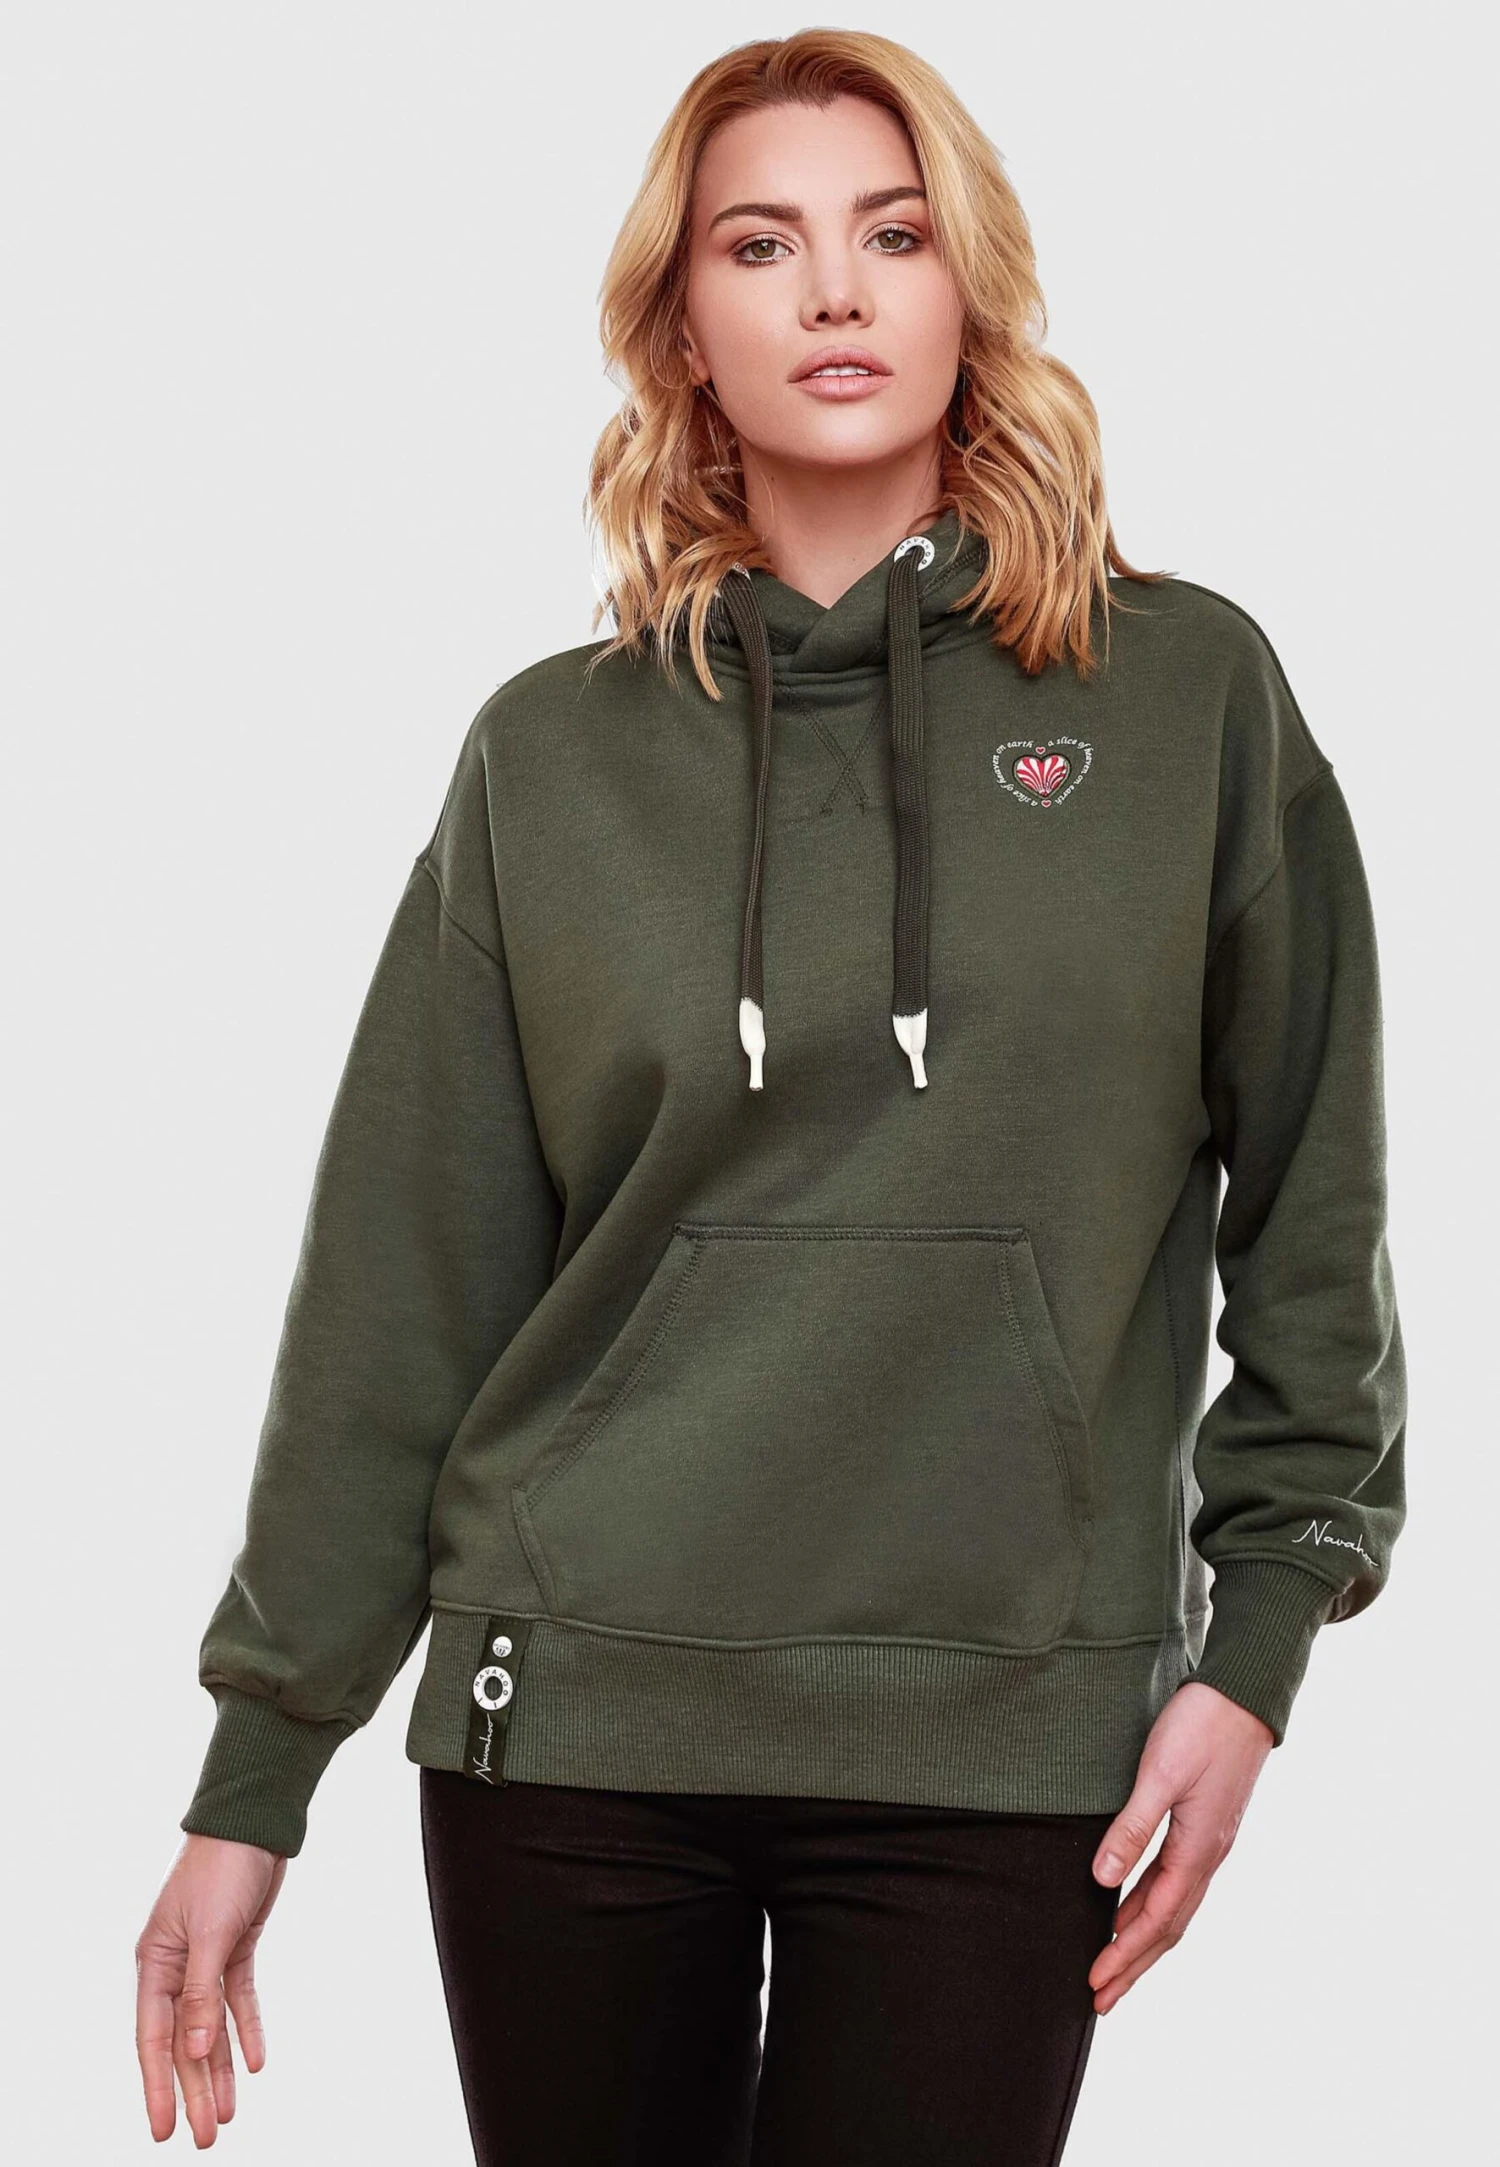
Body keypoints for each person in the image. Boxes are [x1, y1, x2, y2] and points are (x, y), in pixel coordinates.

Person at [134, 28, 1408, 2164]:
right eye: (760, 244)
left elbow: (1318, 1222)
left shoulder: (1188, 700)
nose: (833, 291)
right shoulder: (552, 754)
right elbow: (402, 1288)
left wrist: (1254, 1652)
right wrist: (257, 1773)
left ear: (967, 284)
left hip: (1003, 1737)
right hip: (570, 1730)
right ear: (683, 330)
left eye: (891, 235)